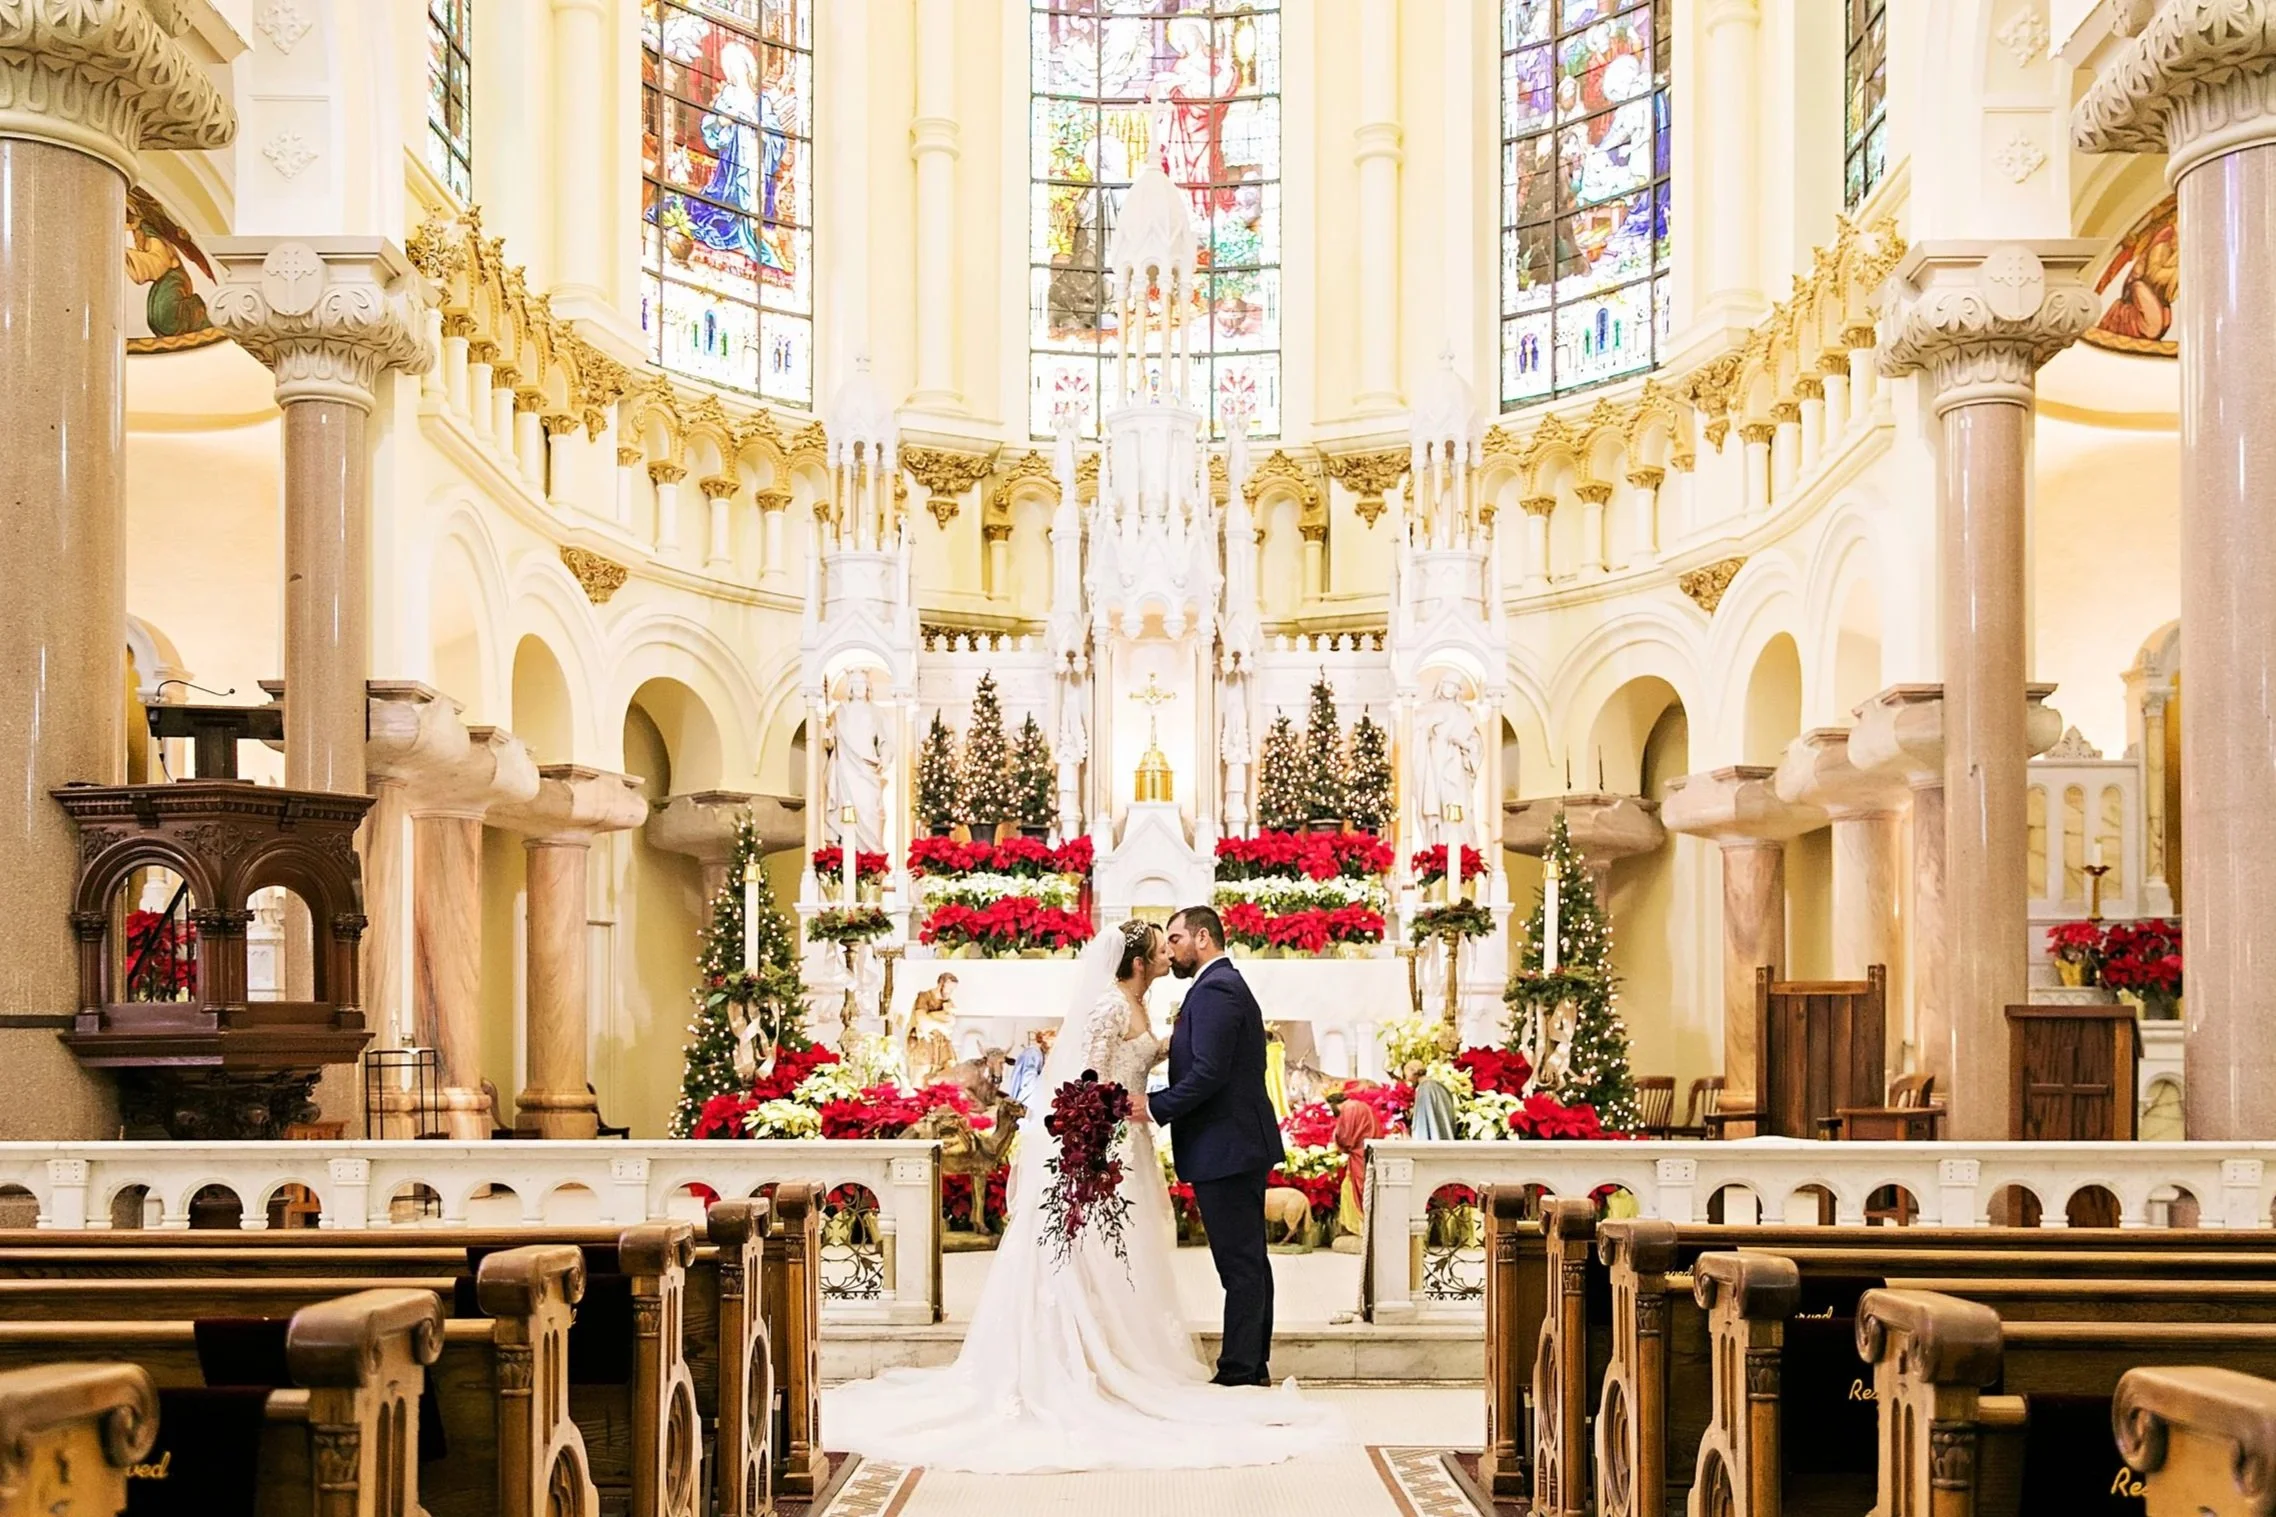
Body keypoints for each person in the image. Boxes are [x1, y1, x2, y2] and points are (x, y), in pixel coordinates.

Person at [825, 920, 1341, 1473]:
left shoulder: (1172, 999)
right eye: (1160, 947)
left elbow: (1187, 1061)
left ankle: (1168, 1356)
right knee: (1104, 1254)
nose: (1168, 954)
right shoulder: (1112, 1007)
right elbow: (1084, 1075)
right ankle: (1098, 1357)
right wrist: (1100, 1127)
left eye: (1175, 941)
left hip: (1137, 1143)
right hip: (1109, 1142)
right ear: (1138, 961)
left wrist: (1154, 1096)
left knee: (1151, 1256)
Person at [1154, 904, 1287, 1387]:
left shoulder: (1216, 990)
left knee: (1240, 1264)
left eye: (1175, 939)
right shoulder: (1217, 986)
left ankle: (1240, 1370)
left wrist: (1154, 1106)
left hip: (1227, 1146)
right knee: (1246, 1260)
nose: (1169, 950)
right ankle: (1250, 1364)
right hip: (1231, 1144)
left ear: (1202, 938)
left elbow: (1208, 1074)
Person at [906, 972, 957, 1087]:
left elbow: (951, 1020)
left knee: (947, 1073)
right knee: (921, 1077)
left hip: (942, 1044)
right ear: (940, 984)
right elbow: (921, 1019)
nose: (950, 993)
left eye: (952, 990)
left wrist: (934, 1018)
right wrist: (940, 1025)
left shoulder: (947, 1002)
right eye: (949, 989)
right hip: (925, 1041)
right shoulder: (924, 996)